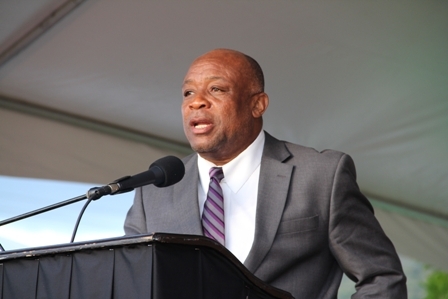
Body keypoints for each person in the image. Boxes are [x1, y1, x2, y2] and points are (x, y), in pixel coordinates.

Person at [124, 49, 407, 298]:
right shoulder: (152, 193)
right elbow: (132, 288)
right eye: (188, 93)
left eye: (217, 90)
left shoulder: (322, 176)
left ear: (257, 104)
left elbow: (382, 278)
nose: (196, 102)